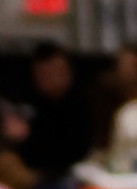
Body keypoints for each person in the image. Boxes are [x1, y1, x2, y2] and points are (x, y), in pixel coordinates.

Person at [18, 42, 90, 180]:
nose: (52, 78)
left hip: (68, 174)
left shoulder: (79, 103)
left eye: (59, 72)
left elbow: (73, 153)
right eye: (43, 75)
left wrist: (28, 138)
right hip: (35, 171)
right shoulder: (31, 102)